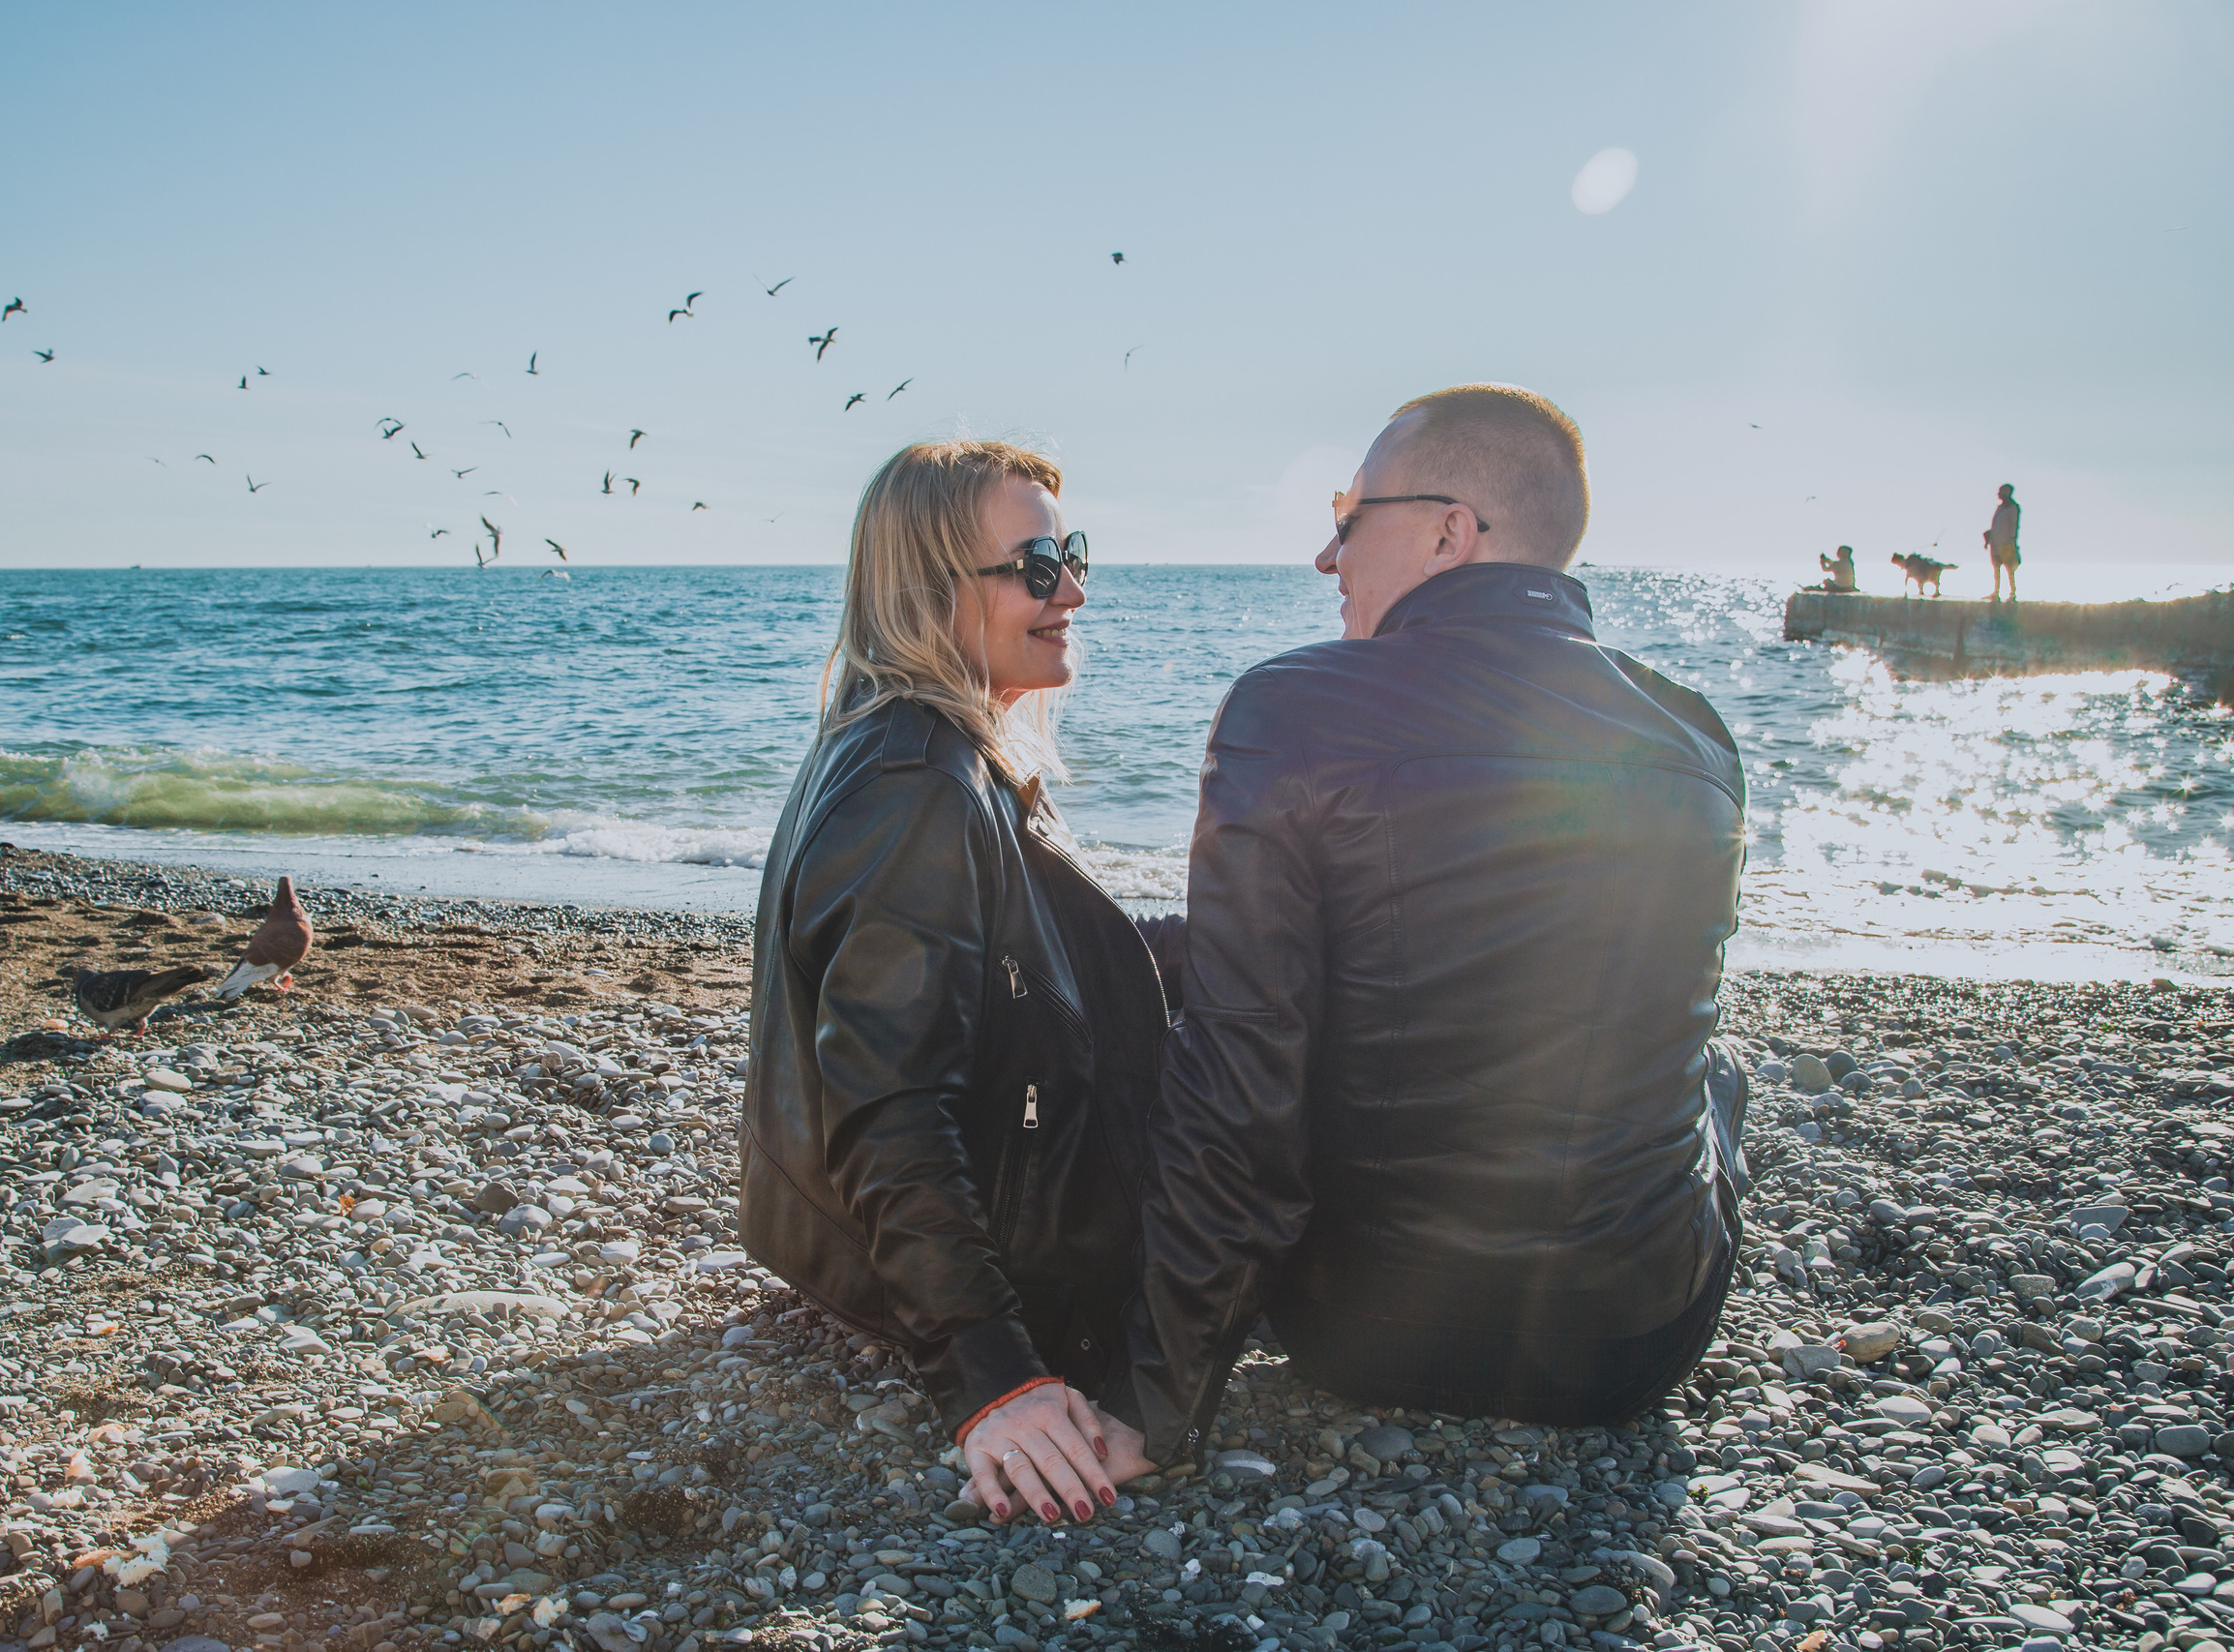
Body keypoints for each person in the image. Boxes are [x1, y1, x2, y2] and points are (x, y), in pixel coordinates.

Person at [1106, 384, 1751, 1469]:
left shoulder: (1288, 706)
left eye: (1350, 514)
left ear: (1451, 530)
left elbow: (1239, 1087)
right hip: (1629, 1350)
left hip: (1357, 1336)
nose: (1327, 554)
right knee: (1718, 1067)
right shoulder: (1691, 731)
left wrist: (1157, 1402)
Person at [740, 439, 1174, 1527]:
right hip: (961, 1279)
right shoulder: (912, 788)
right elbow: (886, 1103)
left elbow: (1004, 969)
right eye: (1034, 566)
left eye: (1070, 554)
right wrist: (994, 1376)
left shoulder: (908, 739)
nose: (1071, 589)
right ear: (930, 590)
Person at [1984, 483, 2021, 600]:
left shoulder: (2012, 508)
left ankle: (2012, 592)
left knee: (2009, 569)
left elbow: (2014, 525)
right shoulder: (2000, 508)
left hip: (2006, 543)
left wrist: (2012, 540)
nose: (1998, 494)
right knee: (1996, 568)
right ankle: (1996, 592)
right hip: (1995, 542)